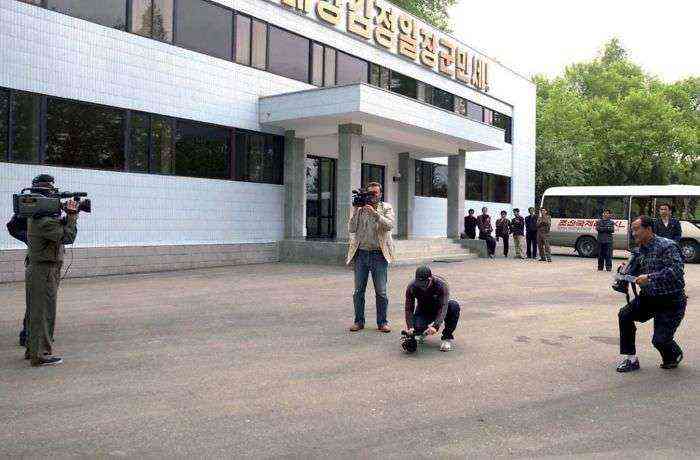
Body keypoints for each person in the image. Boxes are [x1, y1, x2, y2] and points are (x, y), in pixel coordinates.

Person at [616, 216, 687, 373]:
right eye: (632, 230)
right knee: (625, 315)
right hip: (649, 298)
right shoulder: (639, 249)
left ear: (648, 229)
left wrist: (649, 277)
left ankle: (673, 354)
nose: (633, 233)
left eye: (636, 229)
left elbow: (675, 271)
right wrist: (624, 274)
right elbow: (636, 271)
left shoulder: (667, 246)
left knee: (660, 340)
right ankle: (631, 359)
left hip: (671, 301)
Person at [25, 175, 79, 366]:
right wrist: (72, 216)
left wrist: (62, 215)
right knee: (44, 312)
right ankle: (40, 355)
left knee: (36, 311)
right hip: (44, 270)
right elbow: (68, 236)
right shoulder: (44, 221)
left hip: (39, 268)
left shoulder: (36, 215)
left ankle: (33, 350)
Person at [347, 182, 395, 333]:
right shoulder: (360, 209)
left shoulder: (386, 207)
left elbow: (389, 225)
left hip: (379, 254)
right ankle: (358, 322)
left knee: (381, 291)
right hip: (361, 253)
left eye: (375, 193)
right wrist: (356, 211)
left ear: (380, 194)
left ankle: (382, 322)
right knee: (358, 291)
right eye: (370, 193)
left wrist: (375, 214)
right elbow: (351, 228)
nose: (373, 195)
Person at [404, 265, 461, 352]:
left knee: (454, 306)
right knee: (417, 327)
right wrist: (410, 326)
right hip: (424, 310)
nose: (421, 287)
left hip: (440, 309)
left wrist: (436, 326)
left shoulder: (441, 285)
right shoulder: (412, 286)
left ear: (430, 279)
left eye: (423, 284)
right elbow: (409, 308)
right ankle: (421, 332)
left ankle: (447, 337)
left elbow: (444, 306)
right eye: (419, 284)